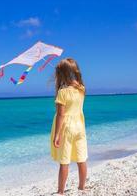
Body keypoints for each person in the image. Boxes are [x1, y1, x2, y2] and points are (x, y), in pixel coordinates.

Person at [50, 58, 88, 195]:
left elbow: (61, 115)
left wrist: (57, 134)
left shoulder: (62, 92)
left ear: (61, 74)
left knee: (64, 161)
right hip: (79, 127)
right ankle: (82, 187)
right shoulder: (81, 89)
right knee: (81, 158)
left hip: (66, 129)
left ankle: (60, 191)